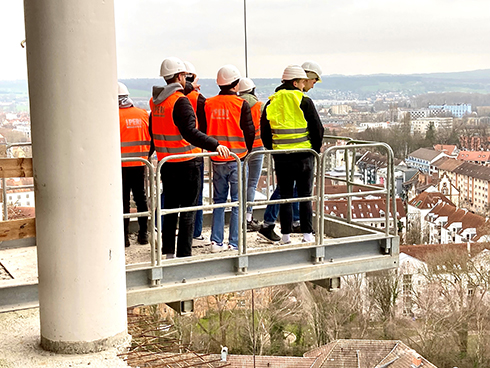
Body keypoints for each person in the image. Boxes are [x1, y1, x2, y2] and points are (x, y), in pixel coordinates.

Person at [150, 57, 229, 258]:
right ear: (179, 76)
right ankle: (184, 255)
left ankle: (168, 253)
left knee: (170, 210)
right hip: (187, 162)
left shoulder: (156, 101)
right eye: (185, 76)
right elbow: (190, 132)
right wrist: (215, 144)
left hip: (166, 163)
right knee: (188, 212)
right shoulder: (180, 102)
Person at [259, 61, 323, 242]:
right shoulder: (304, 101)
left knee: (285, 196)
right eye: (303, 82)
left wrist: (274, 149)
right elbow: (317, 129)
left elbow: (265, 131)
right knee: (305, 196)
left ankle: (285, 235)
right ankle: (307, 235)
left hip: (282, 157)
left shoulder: (271, 102)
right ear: (295, 83)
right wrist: (314, 150)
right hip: (304, 156)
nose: (304, 86)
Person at [200, 65, 255, 253]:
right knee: (237, 202)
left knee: (219, 201)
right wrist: (246, 152)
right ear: (236, 83)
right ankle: (234, 243)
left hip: (217, 159)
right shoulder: (241, 104)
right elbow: (249, 132)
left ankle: (216, 242)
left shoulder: (208, 104)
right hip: (237, 157)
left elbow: (203, 130)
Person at [118, 82, 151, 248]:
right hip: (140, 163)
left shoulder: (113, 116)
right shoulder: (143, 113)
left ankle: (124, 238)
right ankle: (143, 234)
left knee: (122, 201)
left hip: (120, 166)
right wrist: (146, 156)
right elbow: (150, 139)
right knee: (141, 199)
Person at [183, 61, 206, 241]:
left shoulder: (161, 100)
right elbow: (203, 128)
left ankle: (160, 228)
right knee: (195, 196)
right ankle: (195, 232)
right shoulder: (199, 100)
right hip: (194, 153)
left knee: (168, 196)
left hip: (168, 155)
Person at [237, 77, 264, 232]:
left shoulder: (237, 104)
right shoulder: (259, 106)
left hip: (241, 148)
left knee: (241, 184)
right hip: (258, 147)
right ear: (253, 90)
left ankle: (239, 216)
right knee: (252, 183)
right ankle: (248, 217)